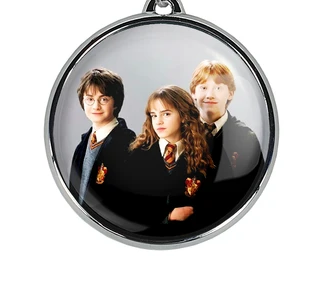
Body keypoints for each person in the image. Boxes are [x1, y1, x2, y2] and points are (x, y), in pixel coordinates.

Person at [126, 85, 214, 237]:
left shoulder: (204, 153)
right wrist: (168, 216)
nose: (158, 121)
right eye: (154, 115)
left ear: (184, 116)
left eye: (166, 114)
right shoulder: (137, 154)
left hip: (191, 237)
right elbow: (126, 204)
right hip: (146, 238)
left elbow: (213, 202)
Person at [190, 60, 264, 225]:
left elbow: (253, 191)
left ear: (230, 93)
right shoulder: (180, 134)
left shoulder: (245, 138)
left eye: (218, 88)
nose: (210, 94)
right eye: (203, 87)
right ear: (193, 93)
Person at [69, 68, 135, 227]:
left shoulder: (129, 144)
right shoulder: (82, 146)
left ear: (115, 103)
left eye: (104, 99)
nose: (96, 106)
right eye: (89, 99)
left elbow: (131, 201)